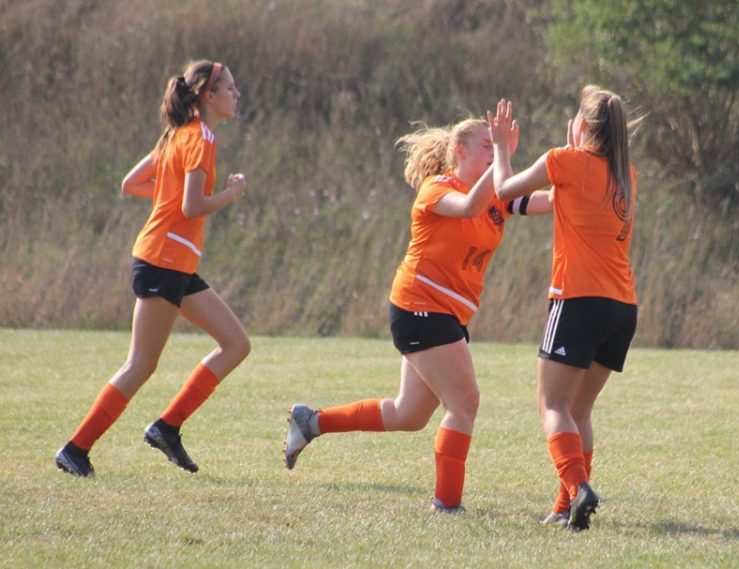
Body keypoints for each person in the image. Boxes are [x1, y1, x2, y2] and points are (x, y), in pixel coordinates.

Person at [284, 102, 553, 513]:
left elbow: (540, 201)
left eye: (495, 145)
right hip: (420, 306)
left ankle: (312, 421)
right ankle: (447, 505)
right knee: (464, 403)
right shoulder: (439, 189)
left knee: (407, 414)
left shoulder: (494, 193)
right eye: (486, 144)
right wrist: (502, 159)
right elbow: (467, 209)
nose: (494, 150)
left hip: (445, 313)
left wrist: (585, 176)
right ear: (459, 152)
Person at [55, 60, 251, 477]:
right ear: (208, 96)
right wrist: (230, 194)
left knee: (236, 343)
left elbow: (132, 183)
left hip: (174, 262)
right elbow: (191, 206)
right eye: (230, 88)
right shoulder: (199, 137)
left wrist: (167, 195)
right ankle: (75, 449)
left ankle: (168, 426)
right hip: (163, 261)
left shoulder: (178, 134)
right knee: (141, 364)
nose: (237, 95)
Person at [489, 89, 638, 530]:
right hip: (622, 308)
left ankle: (578, 490)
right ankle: (564, 507)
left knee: (552, 404)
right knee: (578, 410)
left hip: (577, 299)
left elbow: (502, 189)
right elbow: (525, 204)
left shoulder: (565, 161)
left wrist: (500, 147)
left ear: (583, 128)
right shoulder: (625, 173)